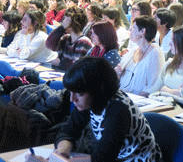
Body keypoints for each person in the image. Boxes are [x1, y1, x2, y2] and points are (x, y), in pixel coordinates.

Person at [25, 57, 162, 162]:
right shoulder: (90, 101)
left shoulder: (118, 109)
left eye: (79, 94)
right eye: (71, 92)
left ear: (98, 91)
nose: (73, 99)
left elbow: (104, 158)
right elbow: (68, 131)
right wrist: (62, 151)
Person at [115, 16, 165, 95]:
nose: (129, 30)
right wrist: (117, 73)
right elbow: (119, 73)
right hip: (123, 95)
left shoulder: (155, 53)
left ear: (142, 31)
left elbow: (153, 86)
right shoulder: (133, 50)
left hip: (140, 100)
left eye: (133, 28)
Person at [46, 6, 93, 70]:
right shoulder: (66, 38)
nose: (63, 22)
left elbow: (76, 67)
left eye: (66, 19)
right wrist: (61, 28)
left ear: (72, 22)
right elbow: (49, 45)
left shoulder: (83, 41)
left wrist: (59, 63)